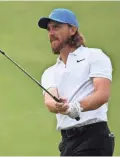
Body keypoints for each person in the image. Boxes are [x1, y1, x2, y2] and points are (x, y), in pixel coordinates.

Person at [38, 8, 115, 156]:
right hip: (67, 143)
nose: (51, 33)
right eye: (49, 29)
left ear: (72, 29)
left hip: (93, 137)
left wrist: (75, 107)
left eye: (56, 27)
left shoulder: (94, 56)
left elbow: (102, 94)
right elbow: (50, 102)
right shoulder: (49, 72)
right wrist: (59, 105)